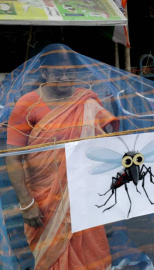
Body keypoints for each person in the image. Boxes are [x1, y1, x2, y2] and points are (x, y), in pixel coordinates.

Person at [5, 44, 119, 269]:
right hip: (45, 200)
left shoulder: (87, 102)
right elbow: (12, 157)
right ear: (45, 73)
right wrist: (27, 204)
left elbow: (110, 142)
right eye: (58, 73)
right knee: (52, 256)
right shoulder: (28, 104)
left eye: (70, 72)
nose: (65, 78)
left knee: (91, 256)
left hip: (85, 198)